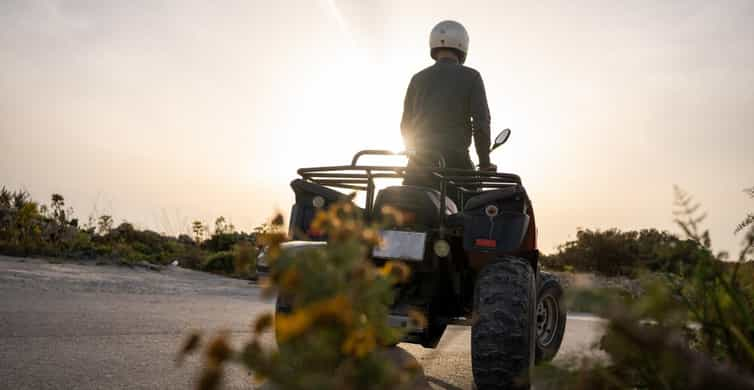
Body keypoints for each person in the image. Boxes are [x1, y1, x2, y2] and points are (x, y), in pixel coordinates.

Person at [400, 20, 496, 205]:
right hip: (456, 165)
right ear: (462, 45)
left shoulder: (417, 79)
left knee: (405, 217)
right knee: (469, 218)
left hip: (417, 167)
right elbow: (481, 124)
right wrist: (484, 162)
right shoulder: (472, 76)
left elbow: (405, 125)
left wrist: (414, 153)